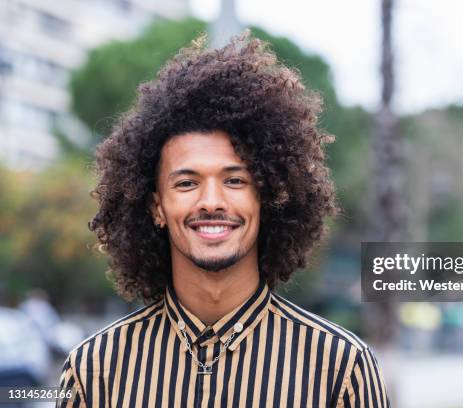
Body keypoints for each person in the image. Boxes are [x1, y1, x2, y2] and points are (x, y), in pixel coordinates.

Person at [57, 32, 389, 407]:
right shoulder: (94, 371)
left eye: (234, 180)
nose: (211, 201)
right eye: (186, 182)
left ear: (265, 197)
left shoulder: (339, 369)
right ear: (156, 207)